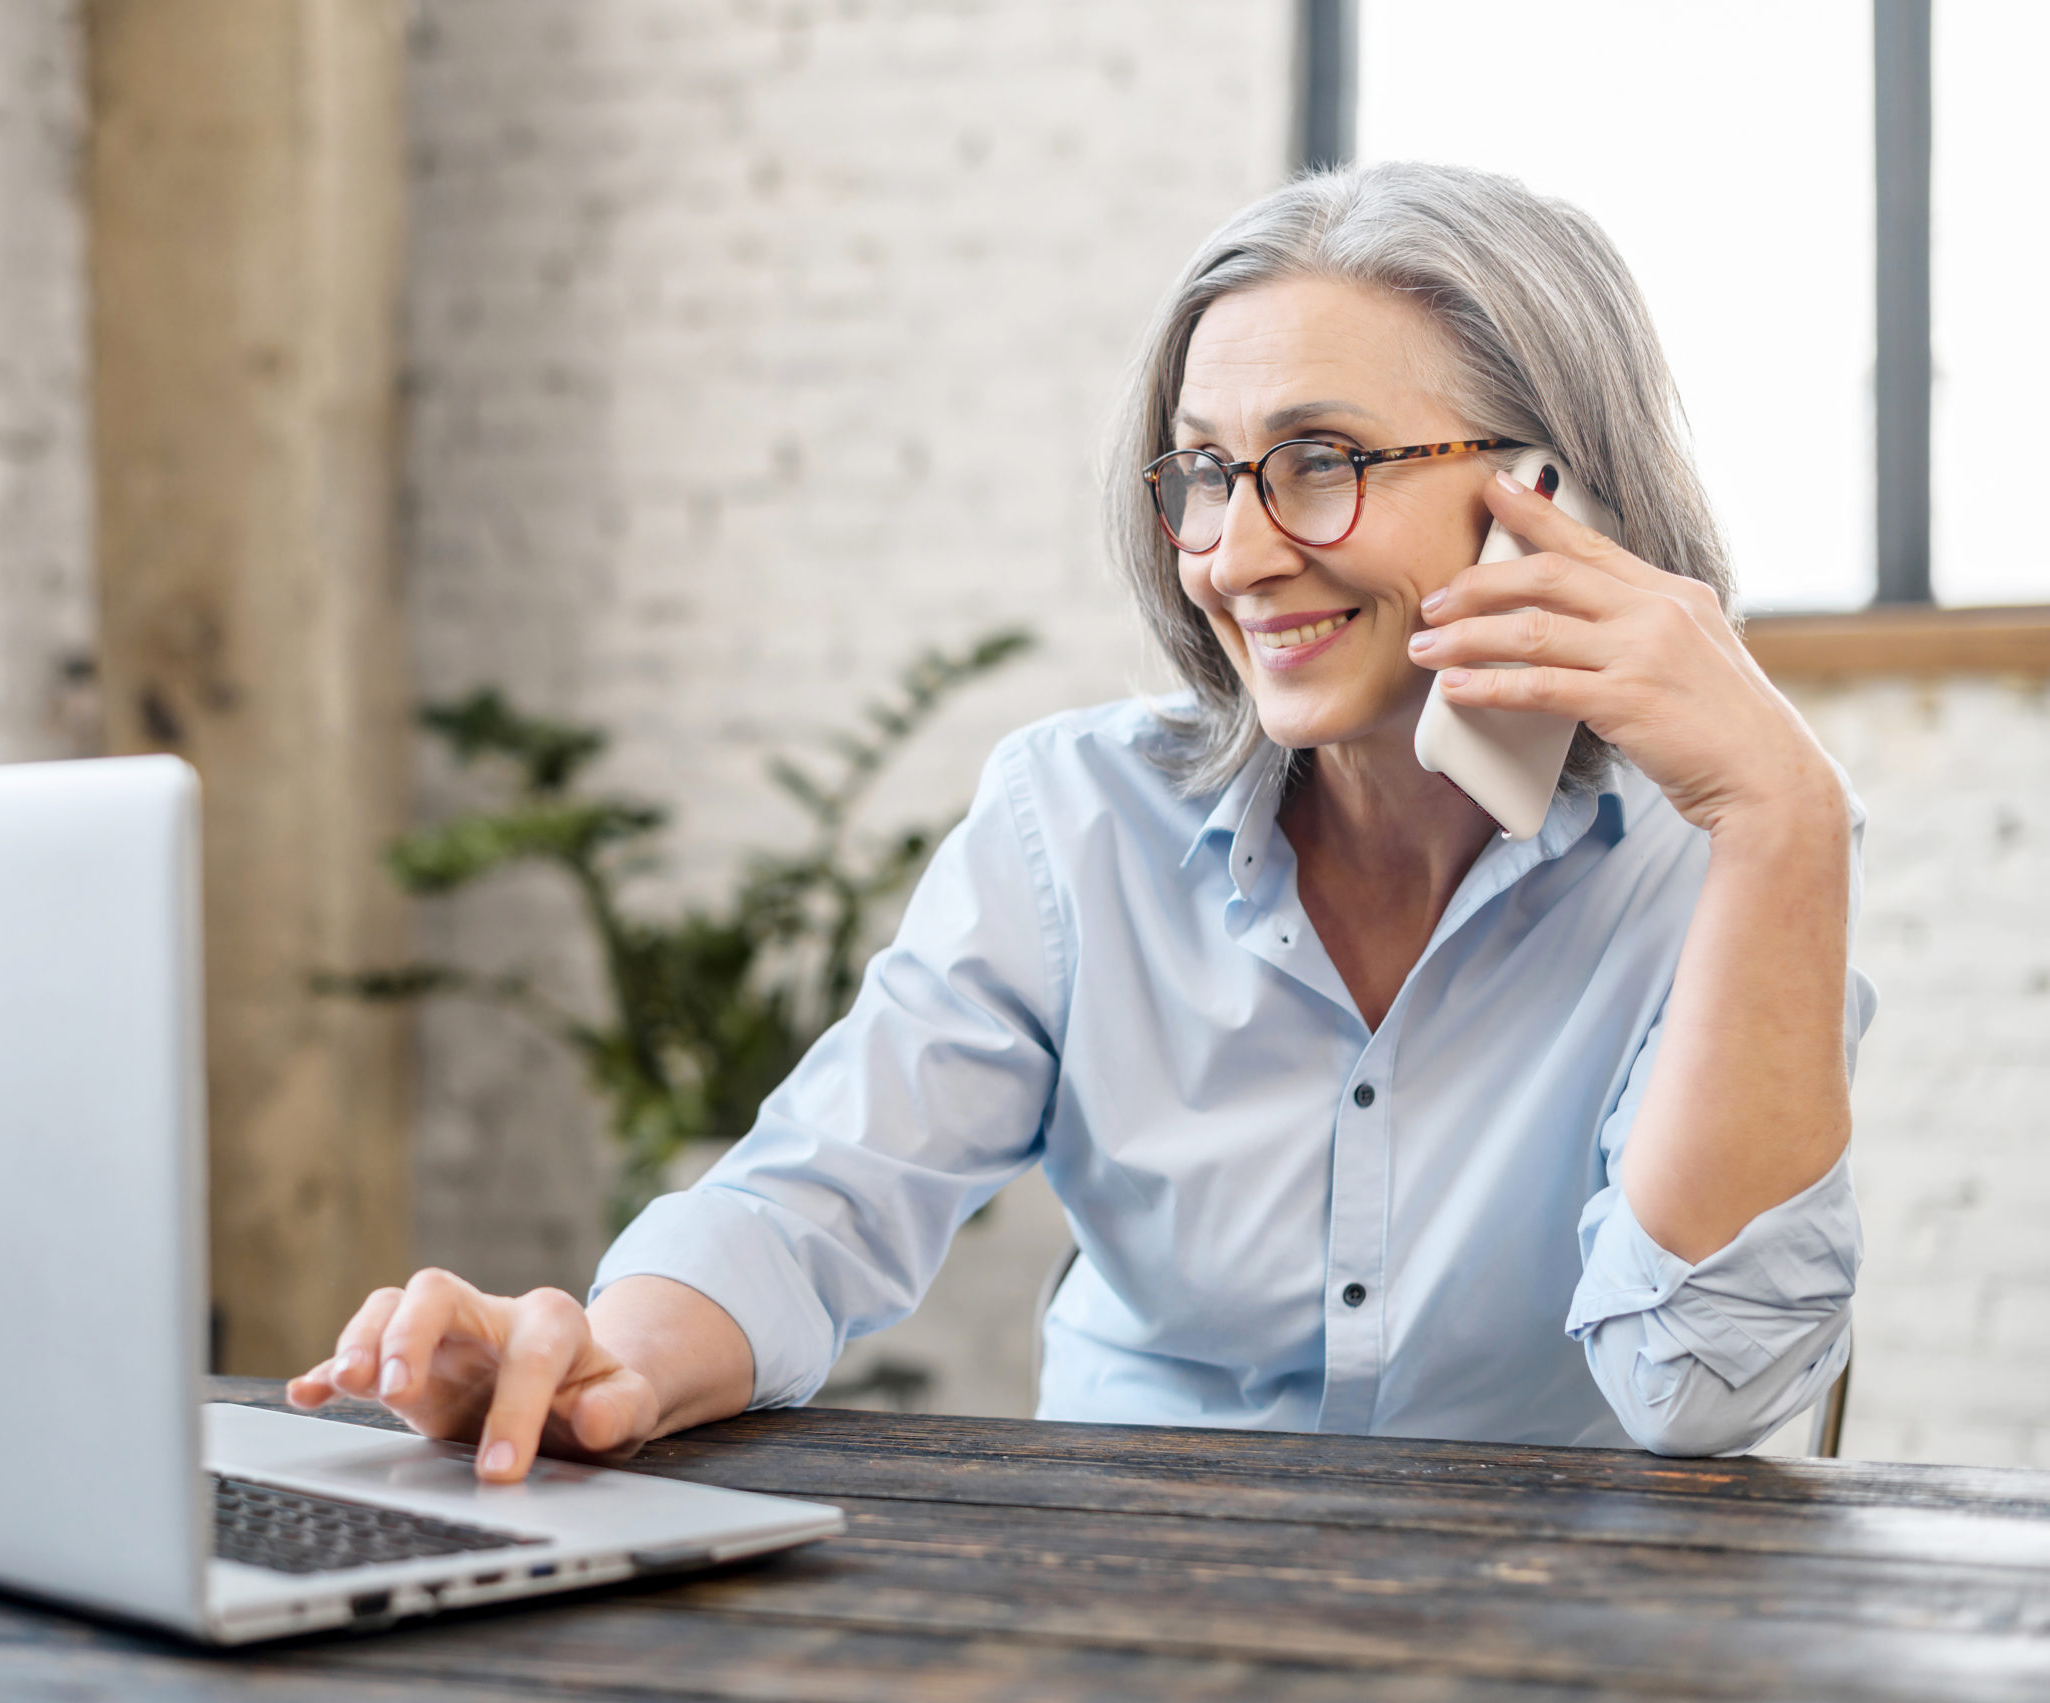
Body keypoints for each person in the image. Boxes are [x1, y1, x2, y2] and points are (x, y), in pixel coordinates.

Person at [286, 162, 1869, 1477]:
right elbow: (820, 1201)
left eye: (1321, 463)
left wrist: (1787, 813)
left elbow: (1704, 1389)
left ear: (1550, 491)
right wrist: (596, 1363)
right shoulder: (1078, 820)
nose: (1236, 555)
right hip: (1125, 1602)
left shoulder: (1708, 867)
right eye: (1202, 473)